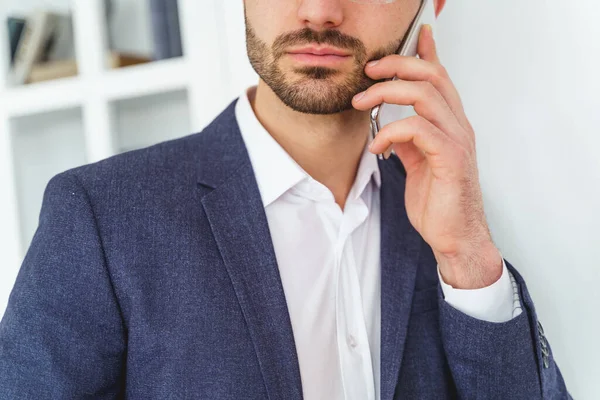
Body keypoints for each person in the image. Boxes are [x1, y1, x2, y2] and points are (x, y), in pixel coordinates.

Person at [0, 0, 571, 399]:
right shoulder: (99, 218)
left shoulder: (454, 228)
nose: (319, 10)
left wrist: (469, 259)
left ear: (431, 6)